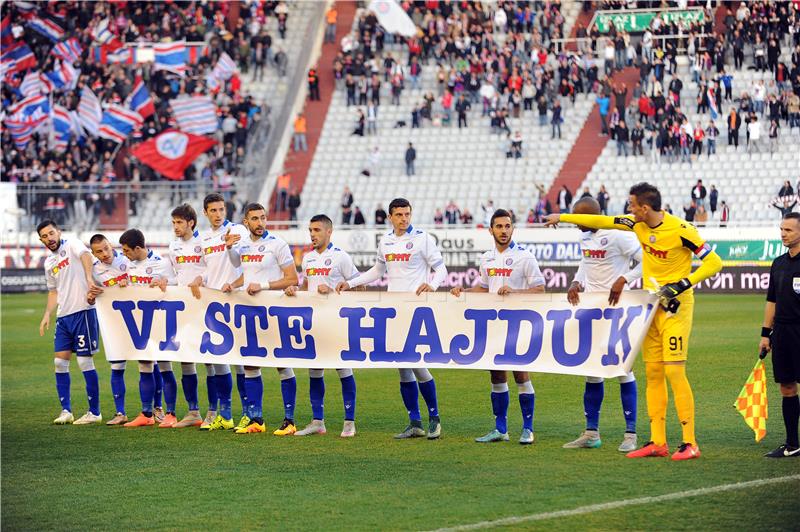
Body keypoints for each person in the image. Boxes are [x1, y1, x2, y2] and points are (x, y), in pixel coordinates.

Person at [544, 182, 723, 460]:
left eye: (632, 204)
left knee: (674, 372)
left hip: (676, 308)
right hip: (649, 306)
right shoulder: (634, 225)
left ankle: (690, 442)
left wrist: (683, 283)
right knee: (652, 373)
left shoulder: (682, 230)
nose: (628, 209)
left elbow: (714, 263)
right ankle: (657, 441)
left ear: (645, 207)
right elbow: (600, 220)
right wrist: (562, 218)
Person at [337, 198, 446, 439]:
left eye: (407, 214)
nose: (404, 218)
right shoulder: (385, 241)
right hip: (394, 311)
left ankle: (434, 418)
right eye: (399, 215)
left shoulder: (422, 238)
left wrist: (433, 284)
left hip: (415, 311)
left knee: (417, 365)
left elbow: (442, 269)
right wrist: (351, 283)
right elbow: (377, 271)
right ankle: (415, 422)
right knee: (403, 369)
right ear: (390, 217)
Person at [450, 209, 543, 444]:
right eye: (499, 227)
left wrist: (515, 292)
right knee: (496, 373)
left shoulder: (525, 256)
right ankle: (500, 429)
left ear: (513, 228)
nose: (504, 230)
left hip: (518, 323)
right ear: (491, 229)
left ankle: (528, 429)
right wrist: (463, 291)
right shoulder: (486, 258)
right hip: (493, 324)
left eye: (507, 226)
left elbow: (540, 289)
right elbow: (484, 287)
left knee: (520, 373)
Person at [562, 198, 642, 452]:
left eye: (579, 218)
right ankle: (591, 433)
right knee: (592, 370)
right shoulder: (584, 237)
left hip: (617, 308)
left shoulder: (619, 234)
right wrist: (576, 282)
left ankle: (631, 435)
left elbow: (646, 260)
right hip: (591, 309)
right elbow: (586, 263)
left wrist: (623, 279)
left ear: (592, 216)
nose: (575, 222)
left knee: (621, 368)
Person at [223, 203, 299, 435]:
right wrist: (233, 282)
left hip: (274, 310)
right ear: (246, 222)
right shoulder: (243, 244)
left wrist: (264, 286)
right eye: (255, 219)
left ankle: (289, 420)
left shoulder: (278, 244)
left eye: (263, 218)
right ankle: (256, 419)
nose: (260, 223)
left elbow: (292, 278)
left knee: (281, 363)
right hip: (249, 310)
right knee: (250, 363)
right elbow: (242, 268)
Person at [285, 215, 359, 437]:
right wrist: (295, 290)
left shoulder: (340, 257)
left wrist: (338, 290)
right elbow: (307, 287)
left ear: (329, 232)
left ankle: (349, 422)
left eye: (317, 230)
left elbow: (359, 287)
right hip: (313, 322)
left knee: (342, 368)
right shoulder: (307, 259)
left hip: (335, 321)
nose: (312, 234)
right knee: (314, 369)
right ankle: (318, 421)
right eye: (310, 230)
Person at [38, 220, 102, 425]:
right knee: (59, 362)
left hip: (83, 311)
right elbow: (53, 291)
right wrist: (47, 313)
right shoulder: (49, 263)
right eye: (45, 236)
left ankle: (95, 412)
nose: (49, 238)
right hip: (63, 316)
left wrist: (89, 279)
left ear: (58, 231)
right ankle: (66, 411)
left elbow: (86, 255)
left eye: (51, 233)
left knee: (84, 361)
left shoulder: (72, 244)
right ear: (41, 240)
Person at [199, 193, 250, 431]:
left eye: (221, 210)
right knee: (220, 360)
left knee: (239, 361)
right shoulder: (204, 237)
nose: (218, 215)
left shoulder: (236, 230)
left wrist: (230, 247)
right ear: (205, 213)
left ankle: (248, 412)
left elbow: (238, 262)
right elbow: (207, 269)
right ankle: (226, 414)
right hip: (213, 303)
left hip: (235, 300)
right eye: (213, 211)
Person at [117, 229, 177, 428]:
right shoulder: (131, 267)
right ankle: (146, 413)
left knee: (165, 366)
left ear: (137, 248)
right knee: (144, 365)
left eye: (127, 250)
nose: (124, 254)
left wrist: (165, 284)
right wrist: (125, 283)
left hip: (161, 322)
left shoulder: (162, 263)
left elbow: (177, 286)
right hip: (141, 324)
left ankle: (171, 413)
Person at [759, 213, 800, 458]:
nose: (783, 233)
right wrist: (766, 334)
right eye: (781, 229)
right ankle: (793, 443)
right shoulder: (778, 263)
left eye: (789, 230)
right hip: (783, 332)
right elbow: (771, 301)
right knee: (787, 386)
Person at [166, 204, 207, 428]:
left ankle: (218, 412)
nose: (176, 227)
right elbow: (177, 277)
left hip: (206, 305)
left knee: (213, 360)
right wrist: (164, 281)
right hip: (183, 308)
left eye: (179, 222)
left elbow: (215, 270)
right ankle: (193, 412)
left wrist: (202, 280)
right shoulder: (173, 246)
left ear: (191, 222)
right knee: (185, 359)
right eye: (173, 223)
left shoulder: (204, 243)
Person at [87, 234, 131, 425]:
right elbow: (90, 297)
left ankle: (155, 411)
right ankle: (120, 413)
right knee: (117, 367)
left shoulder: (128, 259)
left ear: (111, 245)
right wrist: (90, 296)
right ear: (93, 253)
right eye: (99, 251)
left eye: (106, 248)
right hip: (115, 324)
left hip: (139, 321)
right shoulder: (94, 271)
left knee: (149, 364)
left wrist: (129, 284)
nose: (104, 254)